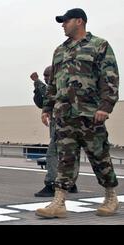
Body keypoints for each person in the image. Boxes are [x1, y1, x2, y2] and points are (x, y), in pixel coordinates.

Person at [36, 8, 119, 218]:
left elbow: (110, 77)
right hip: (64, 115)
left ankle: (111, 196)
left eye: (66, 21)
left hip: (91, 113)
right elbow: (53, 83)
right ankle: (59, 202)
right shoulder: (59, 51)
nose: (63, 25)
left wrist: (105, 107)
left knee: (99, 156)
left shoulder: (99, 45)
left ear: (79, 22)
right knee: (65, 158)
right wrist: (47, 107)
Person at [30, 67, 78, 197]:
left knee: (52, 154)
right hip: (63, 124)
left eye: (47, 75)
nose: (45, 78)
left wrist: (37, 81)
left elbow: (47, 95)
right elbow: (41, 102)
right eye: (43, 76)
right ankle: (71, 183)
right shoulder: (64, 85)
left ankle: (51, 184)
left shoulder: (60, 86)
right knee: (68, 154)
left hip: (63, 125)